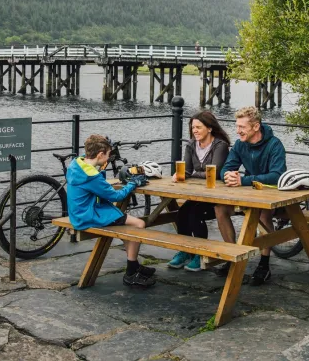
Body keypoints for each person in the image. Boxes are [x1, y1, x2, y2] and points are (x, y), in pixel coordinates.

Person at [66, 134, 156, 287]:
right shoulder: (91, 176)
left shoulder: (77, 165)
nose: (109, 158)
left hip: (79, 213)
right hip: (89, 216)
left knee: (128, 230)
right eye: (107, 155)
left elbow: (97, 182)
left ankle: (134, 266)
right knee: (138, 225)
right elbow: (116, 195)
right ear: (100, 154)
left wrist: (101, 164)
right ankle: (131, 274)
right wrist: (133, 184)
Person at [214, 106, 286, 285]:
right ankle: (232, 257)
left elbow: (277, 177)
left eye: (242, 127)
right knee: (219, 208)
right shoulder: (240, 144)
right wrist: (227, 175)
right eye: (237, 126)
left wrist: (244, 180)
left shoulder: (274, 145)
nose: (237, 131)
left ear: (256, 127)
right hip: (248, 194)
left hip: (274, 196)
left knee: (262, 213)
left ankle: (264, 263)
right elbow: (226, 168)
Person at [167, 111, 231, 272]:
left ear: (209, 128)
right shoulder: (191, 145)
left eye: (198, 127)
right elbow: (186, 170)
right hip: (198, 192)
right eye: (192, 127)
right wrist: (179, 175)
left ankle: (200, 253)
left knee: (195, 214)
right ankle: (185, 250)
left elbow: (215, 173)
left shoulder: (220, 145)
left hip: (217, 194)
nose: (194, 130)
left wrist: (193, 174)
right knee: (182, 213)